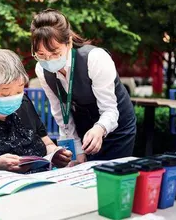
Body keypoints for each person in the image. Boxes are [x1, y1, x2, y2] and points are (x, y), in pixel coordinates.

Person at [30, 9, 136, 161]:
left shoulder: (95, 58)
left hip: (116, 126)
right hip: (83, 127)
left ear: (69, 43)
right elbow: (60, 112)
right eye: (41, 55)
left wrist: (100, 128)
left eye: (55, 53)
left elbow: (110, 110)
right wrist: (77, 149)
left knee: (108, 176)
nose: (49, 60)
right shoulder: (41, 69)